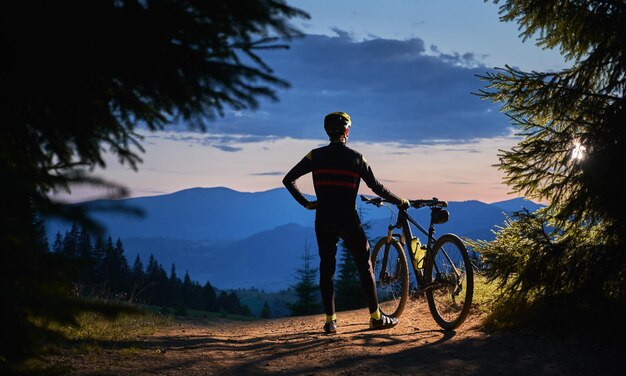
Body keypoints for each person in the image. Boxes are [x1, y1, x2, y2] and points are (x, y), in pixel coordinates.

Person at [282, 111, 409, 334]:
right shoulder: (357, 158)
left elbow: (288, 179)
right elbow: (377, 187)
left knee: (326, 269)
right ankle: (376, 317)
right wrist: (400, 200)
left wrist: (307, 203)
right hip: (349, 220)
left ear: (327, 131)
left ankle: (331, 321)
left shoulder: (315, 156)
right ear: (346, 131)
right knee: (364, 266)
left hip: (323, 218)